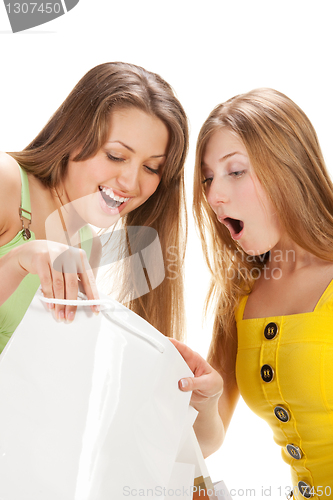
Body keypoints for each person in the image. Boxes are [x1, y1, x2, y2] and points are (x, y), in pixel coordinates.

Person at [171, 88, 333, 499]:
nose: (213, 195)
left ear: (290, 167)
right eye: (207, 178)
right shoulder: (241, 294)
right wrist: (202, 401)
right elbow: (208, 438)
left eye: (235, 171)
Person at [0, 61, 188, 354]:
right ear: (72, 135)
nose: (131, 182)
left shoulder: (88, 246)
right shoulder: (6, 181)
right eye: (115, 156)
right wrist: (16, 262)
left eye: (151, 168)